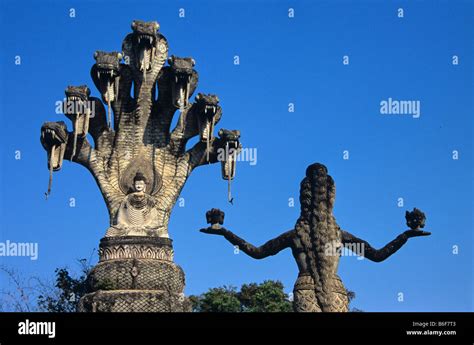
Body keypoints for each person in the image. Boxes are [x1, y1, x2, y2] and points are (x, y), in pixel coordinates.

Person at [200, 163, 430, 312]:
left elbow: (257, 253)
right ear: (331, 199)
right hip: (335, 292)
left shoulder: (295, 235)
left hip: (306, 290)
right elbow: (378, 256)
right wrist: (406, 235)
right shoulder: (339, 236)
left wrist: (225, 233)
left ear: (303, 199)